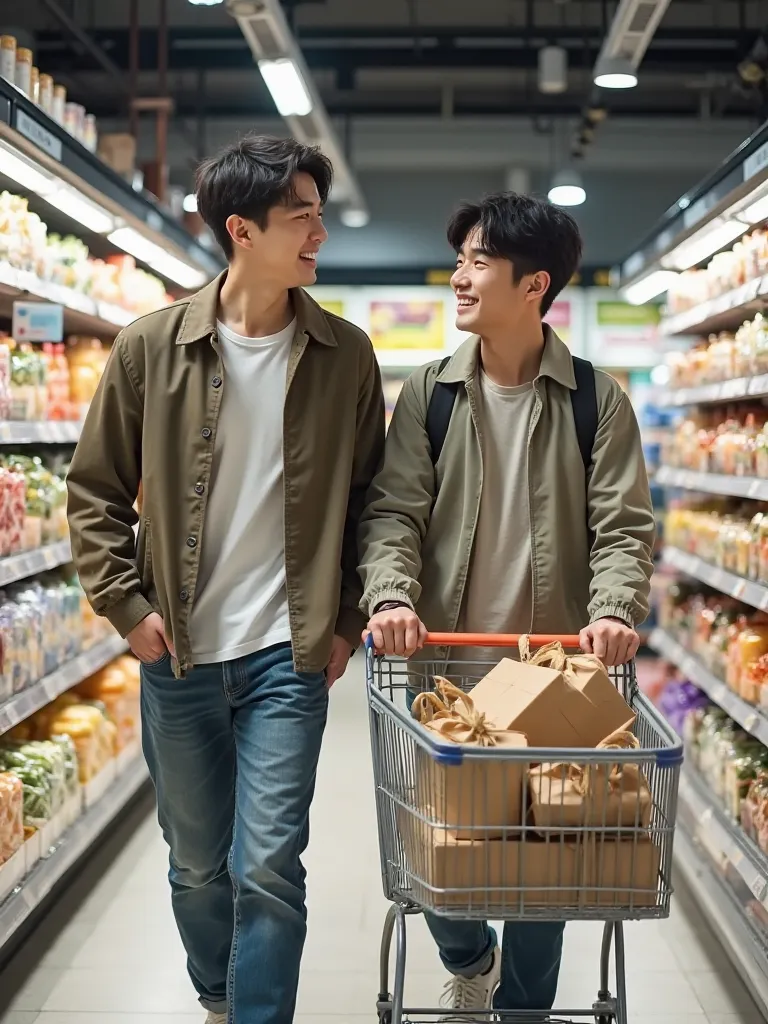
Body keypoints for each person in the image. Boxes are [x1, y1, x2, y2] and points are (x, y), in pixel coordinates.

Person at [67, 134, 385, 1024]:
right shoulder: (148, 349)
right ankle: (217, 993)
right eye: (303, 217)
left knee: (271, 866)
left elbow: (372, 502)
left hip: (291, 654)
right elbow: (92, 491)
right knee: (198, 863)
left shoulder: (346, 357)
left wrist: (348, 621)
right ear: (242, 231)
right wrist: (127, 608)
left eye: (320, 213)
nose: (321, 230)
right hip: (180, 654)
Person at [357, 191, 655, 1020]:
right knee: (440, 849)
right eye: (460, 259)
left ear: (535, 285)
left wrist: (615, 609)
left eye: (478, 260)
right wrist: (389, 595)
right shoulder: (432, 396)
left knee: (544, 858)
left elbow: (624, 528)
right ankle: (469, 955)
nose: (458, 275)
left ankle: (523, 1011)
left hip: (555, 674)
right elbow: (393, 514)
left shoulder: (598, 400)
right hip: (446, 667)